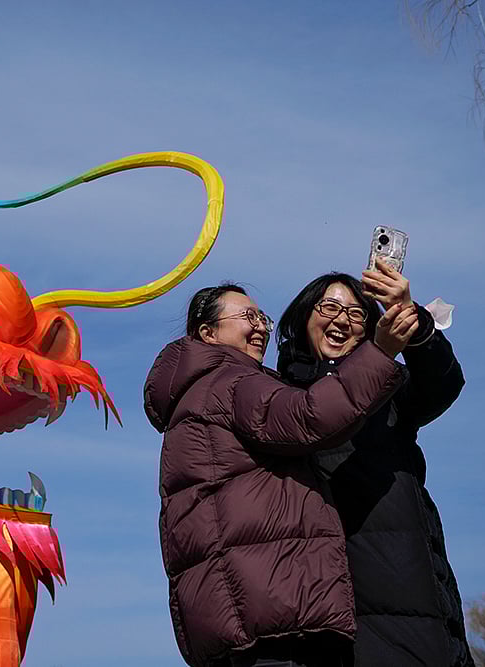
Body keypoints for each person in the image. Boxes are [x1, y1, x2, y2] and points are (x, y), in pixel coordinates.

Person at [144, 283, 416, 667]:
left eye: (263, 318)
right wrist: (381, 352)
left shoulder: (190, 399)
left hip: (237, 621)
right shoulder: (230, 381)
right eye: (247, 317)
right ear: (208, 333)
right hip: (278, 616)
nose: (259, 327)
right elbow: (310, 417)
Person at [276, 259, 473, 666]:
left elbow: (443, 384)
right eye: (328, 308)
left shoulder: (390, 387)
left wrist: (411, 321)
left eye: (354, 314)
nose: (341, 320)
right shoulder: (279, 396)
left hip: (413, 579)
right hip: (330, 597)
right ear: (302, 318)